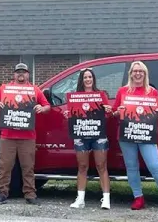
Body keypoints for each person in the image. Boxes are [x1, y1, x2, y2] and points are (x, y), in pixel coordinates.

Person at [113, 60, 158, 213]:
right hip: (127, 133)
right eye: (135, 71)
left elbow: (157, 110)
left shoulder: (152, 92)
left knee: (155, 166)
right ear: (130, 74)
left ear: (145, 74)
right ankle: (138, 197)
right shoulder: (123, 91)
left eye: (140, 71)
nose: (137, 74)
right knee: (132, 167)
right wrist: (118, 111)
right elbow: (115, 112)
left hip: (146, 134)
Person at [0, 63, 50, 205]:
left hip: (27, 136)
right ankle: (2, 193)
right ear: (14, 74)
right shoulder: (5, 88)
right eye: (18, 72)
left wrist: (42, 107)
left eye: (23, 72)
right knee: (4, 166)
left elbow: (47, 106)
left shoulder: (34, 90)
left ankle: (30, 194)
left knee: (28, 166)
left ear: (28, 74)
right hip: (7, 135)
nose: (20, 74)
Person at [62, 68, 111, 209]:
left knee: (101, 166)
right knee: (82, 166)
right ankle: (80, 199)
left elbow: (107, 115)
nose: (88, 79)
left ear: (93, 79)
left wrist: (108, 111)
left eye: (90, 77)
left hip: (98, 135)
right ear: (82, 80)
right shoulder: (75, 97)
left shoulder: (101, 95)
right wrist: (68, 115)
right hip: (81, 135)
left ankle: (106, 198)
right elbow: (73, 114)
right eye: (85, 77)